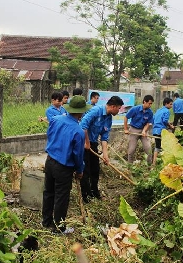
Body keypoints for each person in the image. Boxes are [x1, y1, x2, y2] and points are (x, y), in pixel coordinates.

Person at [42, 96, 91, 234]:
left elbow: (49, 135)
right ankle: (58, 228)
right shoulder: (78, 131)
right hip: (63, 167)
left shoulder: (56, 120)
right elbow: (78, 155)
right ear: (81, 112)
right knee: (61, 197)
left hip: (50, 161)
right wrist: (80, 170)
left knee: (48, 192)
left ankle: (46, 222)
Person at [79, 96, 124, 203]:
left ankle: (95, 191)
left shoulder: (108, 118)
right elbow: (83, 126)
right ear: (113, 106)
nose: (119, 111)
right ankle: (85, 196)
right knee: (86, 170)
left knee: (95, 170)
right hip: (82, 142)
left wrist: (105, 155)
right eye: (119, 108)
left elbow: (104, 137)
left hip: (93, 144)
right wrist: (86, 142)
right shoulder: (96, 111)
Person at [123, 95, 154, 164]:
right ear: (144, 102)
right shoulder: (135, 109)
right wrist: (126, 129)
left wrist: (144, 130)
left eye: (151, 103)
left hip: (144, 131)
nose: (150, 105)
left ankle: (150, 166)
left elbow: (148, 123)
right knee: (131, 150)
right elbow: (126, 117)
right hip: (134, 130)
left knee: (148, 149)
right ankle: (130, 166)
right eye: (149, 103)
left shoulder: (150, 112)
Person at [152, 97, 174, 165]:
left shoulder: (158, 110)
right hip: (161, 131)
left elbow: (153, 119)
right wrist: (170, 126)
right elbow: (165, 121)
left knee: (157, 146)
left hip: (155, 131)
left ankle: (154, 163)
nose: (171, 106)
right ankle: (160, 163)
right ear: (166, 104)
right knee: (163, 146)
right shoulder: (167, 111)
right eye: (170, 104)